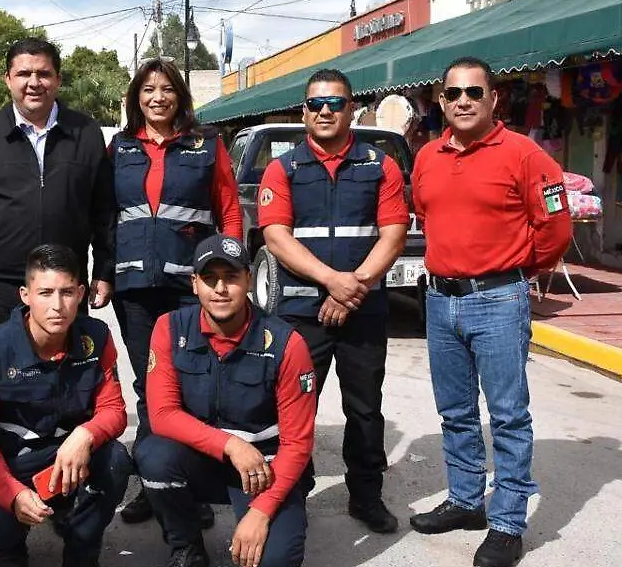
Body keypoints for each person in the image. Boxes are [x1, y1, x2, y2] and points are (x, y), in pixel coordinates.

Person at [410, 57, 572, 567]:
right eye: (453, 93)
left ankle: (506, 523)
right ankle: (465, 501)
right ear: (440, 100)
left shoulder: (525, 155)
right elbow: (425, 212)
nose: (462, 101)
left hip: (498, 300)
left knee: (507, 417)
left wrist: (513, 272)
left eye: (473, 93)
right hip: (440, 300)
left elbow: (556, 229)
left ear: (493, 99)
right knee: (454, 412)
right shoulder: (427, 156)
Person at [258, 68, 408, 534]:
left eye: (335, 103)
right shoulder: (282, 169)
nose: (325, 111)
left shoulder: (380, 165)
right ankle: (291, 492)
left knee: (364, 407)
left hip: (363, 309)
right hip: (301, 315)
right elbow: (276, 236)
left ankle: (366, 496)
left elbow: (394, 234)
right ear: (304, 111)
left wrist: (353, 287)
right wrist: (331, 281)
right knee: (295, 406)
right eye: (316, 104)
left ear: (351, 109)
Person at [109, 58, 241, 526]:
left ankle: (195, 485)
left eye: (166, 89)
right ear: (136, 97)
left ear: (180, 96)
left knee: (194, 386)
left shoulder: (207, 145)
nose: (157, 98)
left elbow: (227, 208)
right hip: (136, 288)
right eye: (148, 90)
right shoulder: (121, 146)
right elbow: (108, 216)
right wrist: (104, 274)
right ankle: (152, 481)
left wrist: (231, 273)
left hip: (190, 287)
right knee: (150, 384)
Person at [135, 234, 317, 567]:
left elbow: (298, 444)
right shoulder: (169, 328)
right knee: (153, 456)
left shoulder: (286, 344)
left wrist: (261, 511)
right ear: (194, 284)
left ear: (248, 279)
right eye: (210, 278)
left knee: (275, 561)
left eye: (231, 277)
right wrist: (231, 445)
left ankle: (271, 512)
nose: (220, 288)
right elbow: (162, 414)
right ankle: (186, 546)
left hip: (265, 466)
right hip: (203, 458)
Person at [0, 244, 130, 567]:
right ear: (26, 295)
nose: (57, 306)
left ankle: (80, 547)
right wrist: (12, 494)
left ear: (81, 293)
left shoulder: (96, 337)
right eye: (45, 293)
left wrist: (85, 435)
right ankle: (11, 548)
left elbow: (114, 409)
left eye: (67, 292)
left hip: (70, 458)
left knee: (115, 461)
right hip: (15, 464)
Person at [0, 38, 116, 342]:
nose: (34, 83)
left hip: (62, 287)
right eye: (24, 74)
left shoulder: (86, 134)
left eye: (44, 73)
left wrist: (104, 270)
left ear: (58, 79)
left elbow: (104, 212)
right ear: (8, 80)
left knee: (65, 379)